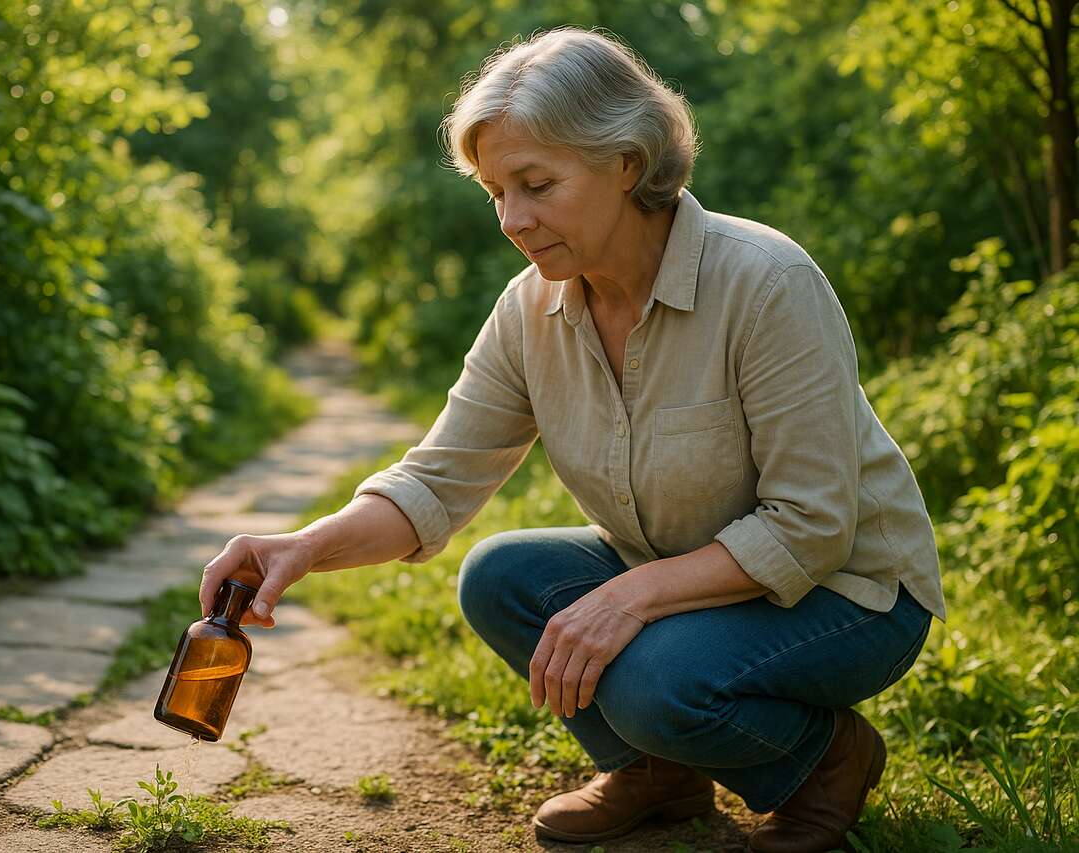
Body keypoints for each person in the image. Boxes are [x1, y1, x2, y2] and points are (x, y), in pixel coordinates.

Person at [198, 26, 946, 853]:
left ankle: (824, 761)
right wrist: (300, 547)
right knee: (500, 576)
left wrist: (626, 598)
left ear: (626, 163)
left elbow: (811, 525)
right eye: (494, 191)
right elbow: (437, 481)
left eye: (537, 184)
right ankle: (659, 775)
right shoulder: (531, 309)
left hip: (847, 594)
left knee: (655, 682)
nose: (513, 219)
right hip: (690, 576)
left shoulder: (765, 282)